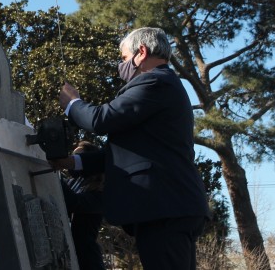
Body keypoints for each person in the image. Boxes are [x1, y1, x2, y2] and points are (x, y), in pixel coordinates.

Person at [54, 27, 210, 270]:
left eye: (124, 58)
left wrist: (72, 103)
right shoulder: (165, 84)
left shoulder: (155, 81)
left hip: (163, 208)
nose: (121, 65)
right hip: (169, 207)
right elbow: (124, 154)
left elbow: (101, 119)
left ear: (142, 52)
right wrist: (73, 163)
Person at [60, 141, 106, 270]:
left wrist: (56, 174)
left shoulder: (100, 192)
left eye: (77, 158)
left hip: (87, 261)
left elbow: (74, 202)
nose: (72, 162)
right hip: (68, 255)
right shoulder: (73, 183)